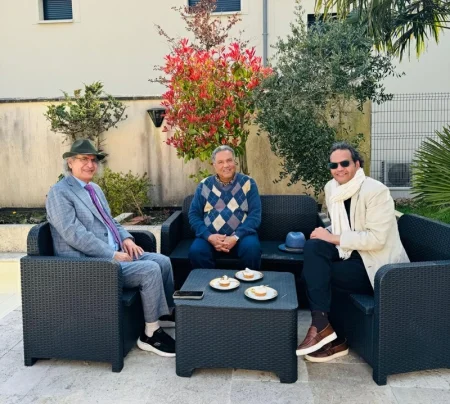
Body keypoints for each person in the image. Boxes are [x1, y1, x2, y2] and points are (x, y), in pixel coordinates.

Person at [46, 139, 176, 358]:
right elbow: (73, 234)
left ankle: (163, 314)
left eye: (93, 160)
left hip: (115, 253)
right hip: (90, 263)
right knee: (150, 270)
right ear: (70, 163)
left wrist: (126, 238)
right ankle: (150, 335)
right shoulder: (60, 192)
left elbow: (111, 221)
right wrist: (112, 254)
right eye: (84, 159)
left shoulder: (94, 189)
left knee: (163, 261)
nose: (90, 164)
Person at [296, 142, 409, 362]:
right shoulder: (332, 188)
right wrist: (325, 233)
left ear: (357, 164)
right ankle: (323, 325)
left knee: (317, 274)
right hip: (350, 253)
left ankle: (332, 336)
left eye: (344, 163)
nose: (339, 169)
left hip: (377, 266)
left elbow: (376, 239)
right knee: (313, 248)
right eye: (334, 165)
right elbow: (343, 225)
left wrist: (331, 237)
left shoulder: (376, 191)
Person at [188, 145, 262, 270]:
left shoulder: (248, 183)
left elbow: (255, 216)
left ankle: (246, 282)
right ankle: (208, 282)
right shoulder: (204, 185)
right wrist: (209, 236)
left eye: (229, 160)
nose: (226, 165)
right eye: (221, 162)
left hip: (241, 237)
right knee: (196, 251)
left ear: (235, 162)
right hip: (210, 237)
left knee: (252, 249)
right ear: (214, 165)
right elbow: (193, 215)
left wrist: (235, 237)